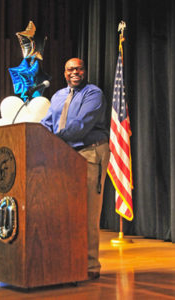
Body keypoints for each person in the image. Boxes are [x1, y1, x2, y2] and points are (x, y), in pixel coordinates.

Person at [41, 58, 110, 280]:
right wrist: (37, 136)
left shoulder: (93, 94)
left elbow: (81, 125)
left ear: (84, 71)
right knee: (65, 211)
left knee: (88, 211)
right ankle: (68, 261)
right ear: (64, 73)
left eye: (79, 68)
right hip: (63, 154)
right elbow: (47, 123)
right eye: (70, 69)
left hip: (90, 152)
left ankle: (90, 266)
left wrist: (51, 140)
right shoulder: (58, 96)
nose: (75, 72)